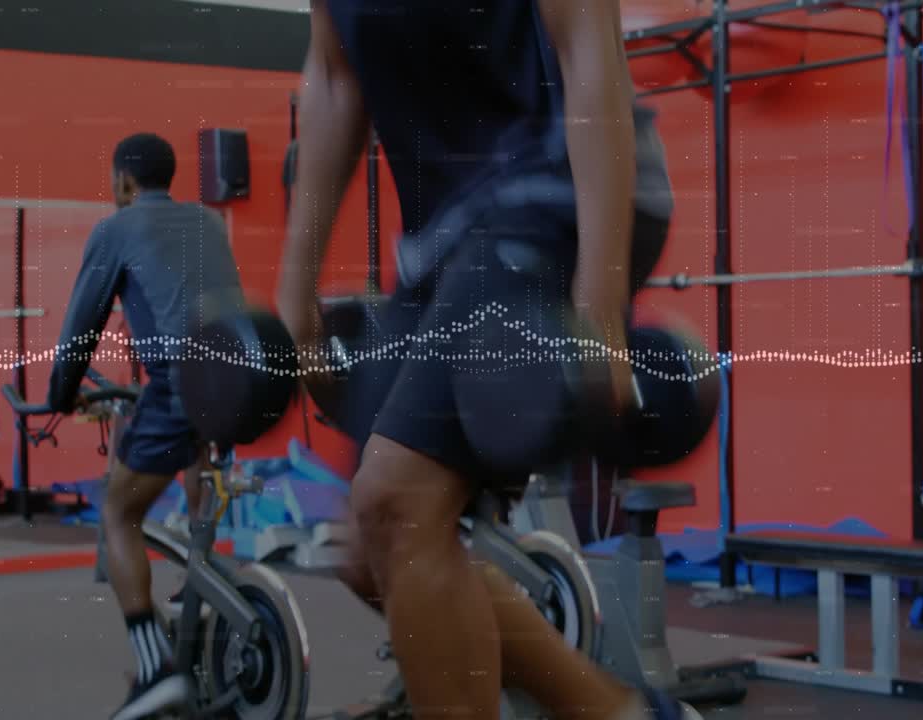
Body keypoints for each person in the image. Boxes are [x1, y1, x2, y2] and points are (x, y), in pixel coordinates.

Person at [278, 2, 684, 719]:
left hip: (557, 192)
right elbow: (337, 79)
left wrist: (598, 303)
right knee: (369, 549)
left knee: (397, 503)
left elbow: (588, 49)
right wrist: (294, 286)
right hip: (444, 239)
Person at [46, 132, 245, 720]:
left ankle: (155, 669)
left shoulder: (117, 229)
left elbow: (83, 327)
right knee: (193, 456)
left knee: (118, 510)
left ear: (124, 183)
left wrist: (60, 395)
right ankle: (201, 592)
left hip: (182, 385)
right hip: (239, 380)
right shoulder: (208, 223)